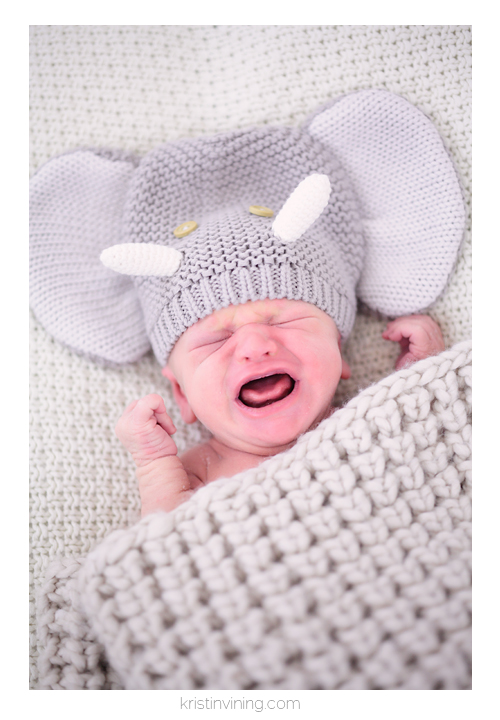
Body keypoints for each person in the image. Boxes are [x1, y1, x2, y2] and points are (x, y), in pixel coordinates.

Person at [115, 300, 444, 516]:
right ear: (181, 394)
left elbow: (426, 447)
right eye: (215, 341)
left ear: (338, 353)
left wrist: (419, 375)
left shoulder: (369, 420)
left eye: (286, 323)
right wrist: (154, 463)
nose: (255, 346)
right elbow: (165, 546)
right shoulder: (195, 471)